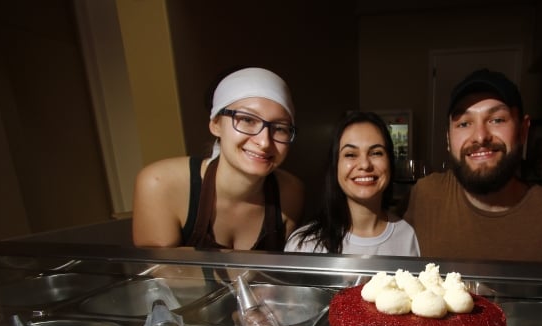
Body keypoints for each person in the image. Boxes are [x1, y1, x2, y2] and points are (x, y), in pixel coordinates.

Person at [404, 69, 542, 263]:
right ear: (448, 138)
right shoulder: (424, 195)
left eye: (497, 120)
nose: (480, 136)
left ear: (523, 130)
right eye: (464, 123)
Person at [132, 67, 304, 251]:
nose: (264, 142)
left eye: (280, 128)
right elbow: (158, 273)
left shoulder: (289, 192)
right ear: (215, 124)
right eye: (247, 120)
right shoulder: (160, 184)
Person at [284, 111, 419, 256]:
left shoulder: (407, 235)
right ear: (335, 166)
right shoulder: (304, 245)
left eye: (376, 153)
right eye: (350, 154)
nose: (365, 164)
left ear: (390, 162)